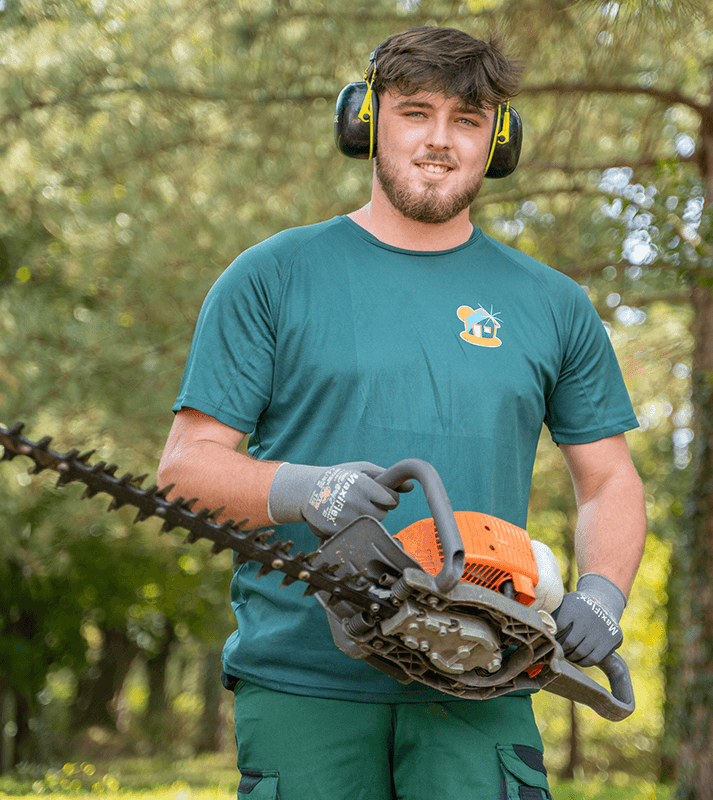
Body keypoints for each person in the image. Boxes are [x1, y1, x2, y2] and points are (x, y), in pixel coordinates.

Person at [158, 26, 646, 800]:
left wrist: (601, 594)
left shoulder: (552, 304)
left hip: (485, 672)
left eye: (468, 120)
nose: (440, 142)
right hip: (303, 679)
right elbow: (185, 466)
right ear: (367, 119)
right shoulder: (273, 276)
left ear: (499, 141)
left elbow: (610, 479)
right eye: (416, 112)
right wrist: (306, 490)